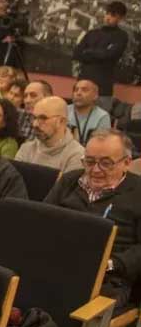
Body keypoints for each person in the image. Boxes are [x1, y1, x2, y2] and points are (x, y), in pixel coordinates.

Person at [45, 129, 141, 308]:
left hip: (108, 277)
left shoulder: (138, 193)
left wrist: (112, 264)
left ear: (126, 163)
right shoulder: (70, 181)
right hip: (57, 262)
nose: (95, 170)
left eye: (106, 163)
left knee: (65, 304)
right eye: (89, 162)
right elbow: (41, 221)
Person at [74, 1, 129, 103]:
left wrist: (88, 51)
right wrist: (100, 53)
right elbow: (77, 53)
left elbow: (110, 55)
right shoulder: (92, 33)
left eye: (113, 15)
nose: (108, 17)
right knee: (78, 112)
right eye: (107, 13)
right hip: (83, 83)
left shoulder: (121, 36)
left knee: (101, 112)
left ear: (120, 18)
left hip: (103, 86)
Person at [68, 78, 112, 146]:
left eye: (84, 90)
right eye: (76, 90)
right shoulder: (64, 110)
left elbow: (101, 144)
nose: (78, 93)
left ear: (95, 96)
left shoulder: (102, 116)